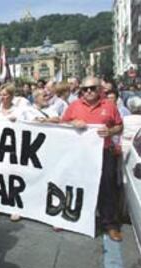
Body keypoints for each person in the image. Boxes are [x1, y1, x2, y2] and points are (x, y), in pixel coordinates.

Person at [62, 76, 123, 242]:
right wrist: (73, 122)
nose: (88, 91)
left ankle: (110, 224)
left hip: (104, 152)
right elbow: (62, 125)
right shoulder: (74, 106)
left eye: (92, 88)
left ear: (100, 90)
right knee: (78, 184)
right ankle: (73, 218)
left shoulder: (109, 106)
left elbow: (119, 125)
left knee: (107, 188)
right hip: (80, 154)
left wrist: (111, 132)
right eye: (85, 89)